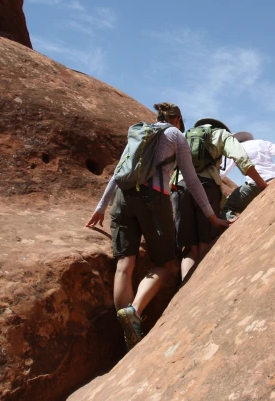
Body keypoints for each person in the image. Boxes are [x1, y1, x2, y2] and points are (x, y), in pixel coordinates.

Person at [86, 103, 230, 350]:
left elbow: (118, 172)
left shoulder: (139, 132)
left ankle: (128, 336)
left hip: (123, 197)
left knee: (124, 265)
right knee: (163, 264)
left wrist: (101, 207)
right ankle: (135, 311)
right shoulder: (175, 135)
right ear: (178, 119)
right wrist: (212, 217)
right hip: (154, 199)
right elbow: (192, 180)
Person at [172, 118, 269, 282]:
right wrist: (262, 184)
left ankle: (184, 287)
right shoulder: (220, 134)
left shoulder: (184, 137)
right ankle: (199, 288)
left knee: (190, 248)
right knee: (205, 243)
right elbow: (241, 158)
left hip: (179, 187)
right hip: (206, 187)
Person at [221, 132, 275, 220]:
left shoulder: (235, 150)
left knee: (225, 206)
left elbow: (221, 173)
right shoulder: (261, 142)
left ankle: (233, 223)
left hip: (255, 185)